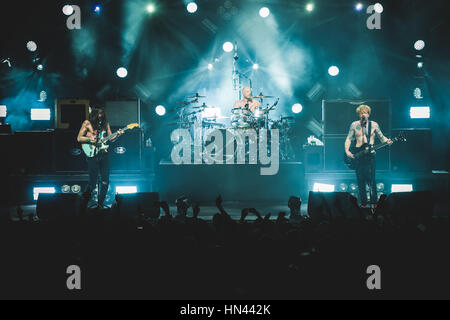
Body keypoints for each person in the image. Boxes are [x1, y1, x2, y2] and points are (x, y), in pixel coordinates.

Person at [344, 105, 392, 207]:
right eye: (361, 113)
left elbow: (381, 137)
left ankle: (374, 202)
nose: (363, 114)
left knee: (371, 179)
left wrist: (387, 141)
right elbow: (348, 138)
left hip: (370, 154)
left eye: (365, 112)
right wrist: (347, 151)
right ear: (359, 114)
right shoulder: (354, 125)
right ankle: (364, 203)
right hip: (358, 154)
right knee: (360, 179)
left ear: (368, 114)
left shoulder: (374, 125)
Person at [77, 107, 123, 209]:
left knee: (105, 180)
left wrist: (118, 135)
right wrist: (90, 138)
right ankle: (83, 204)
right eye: (98, 114)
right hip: (92, 155)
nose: (100, 116)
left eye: (102, 114)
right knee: (92, 182)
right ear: (94, 114)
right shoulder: (87, 123)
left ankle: (100, 204)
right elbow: (79, 138)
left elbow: (111, 138)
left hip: (104, 154)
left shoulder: (105, 124)